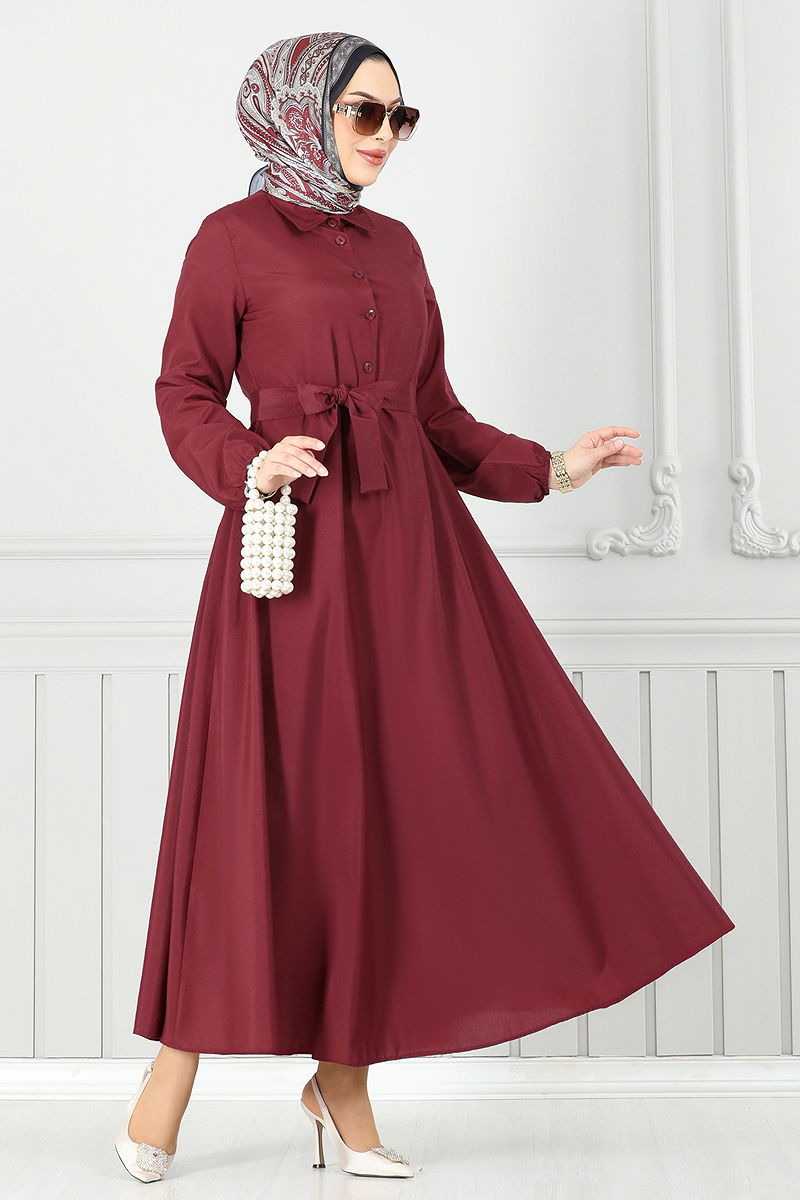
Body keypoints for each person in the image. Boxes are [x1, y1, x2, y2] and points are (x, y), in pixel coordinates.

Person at [115, 30, 735, 1183]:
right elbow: (183, 392)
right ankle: (174, 1068)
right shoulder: (230, 240)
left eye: (401, 117)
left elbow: (437, 419)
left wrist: (551, 468)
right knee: (257, 810)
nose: (386, 137)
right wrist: (250, 460)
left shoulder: (395, 248)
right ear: (299, 111)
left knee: (388, 811)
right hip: (291, 562)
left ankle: (341, 1079)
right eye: (365, 112)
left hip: (410, 562)